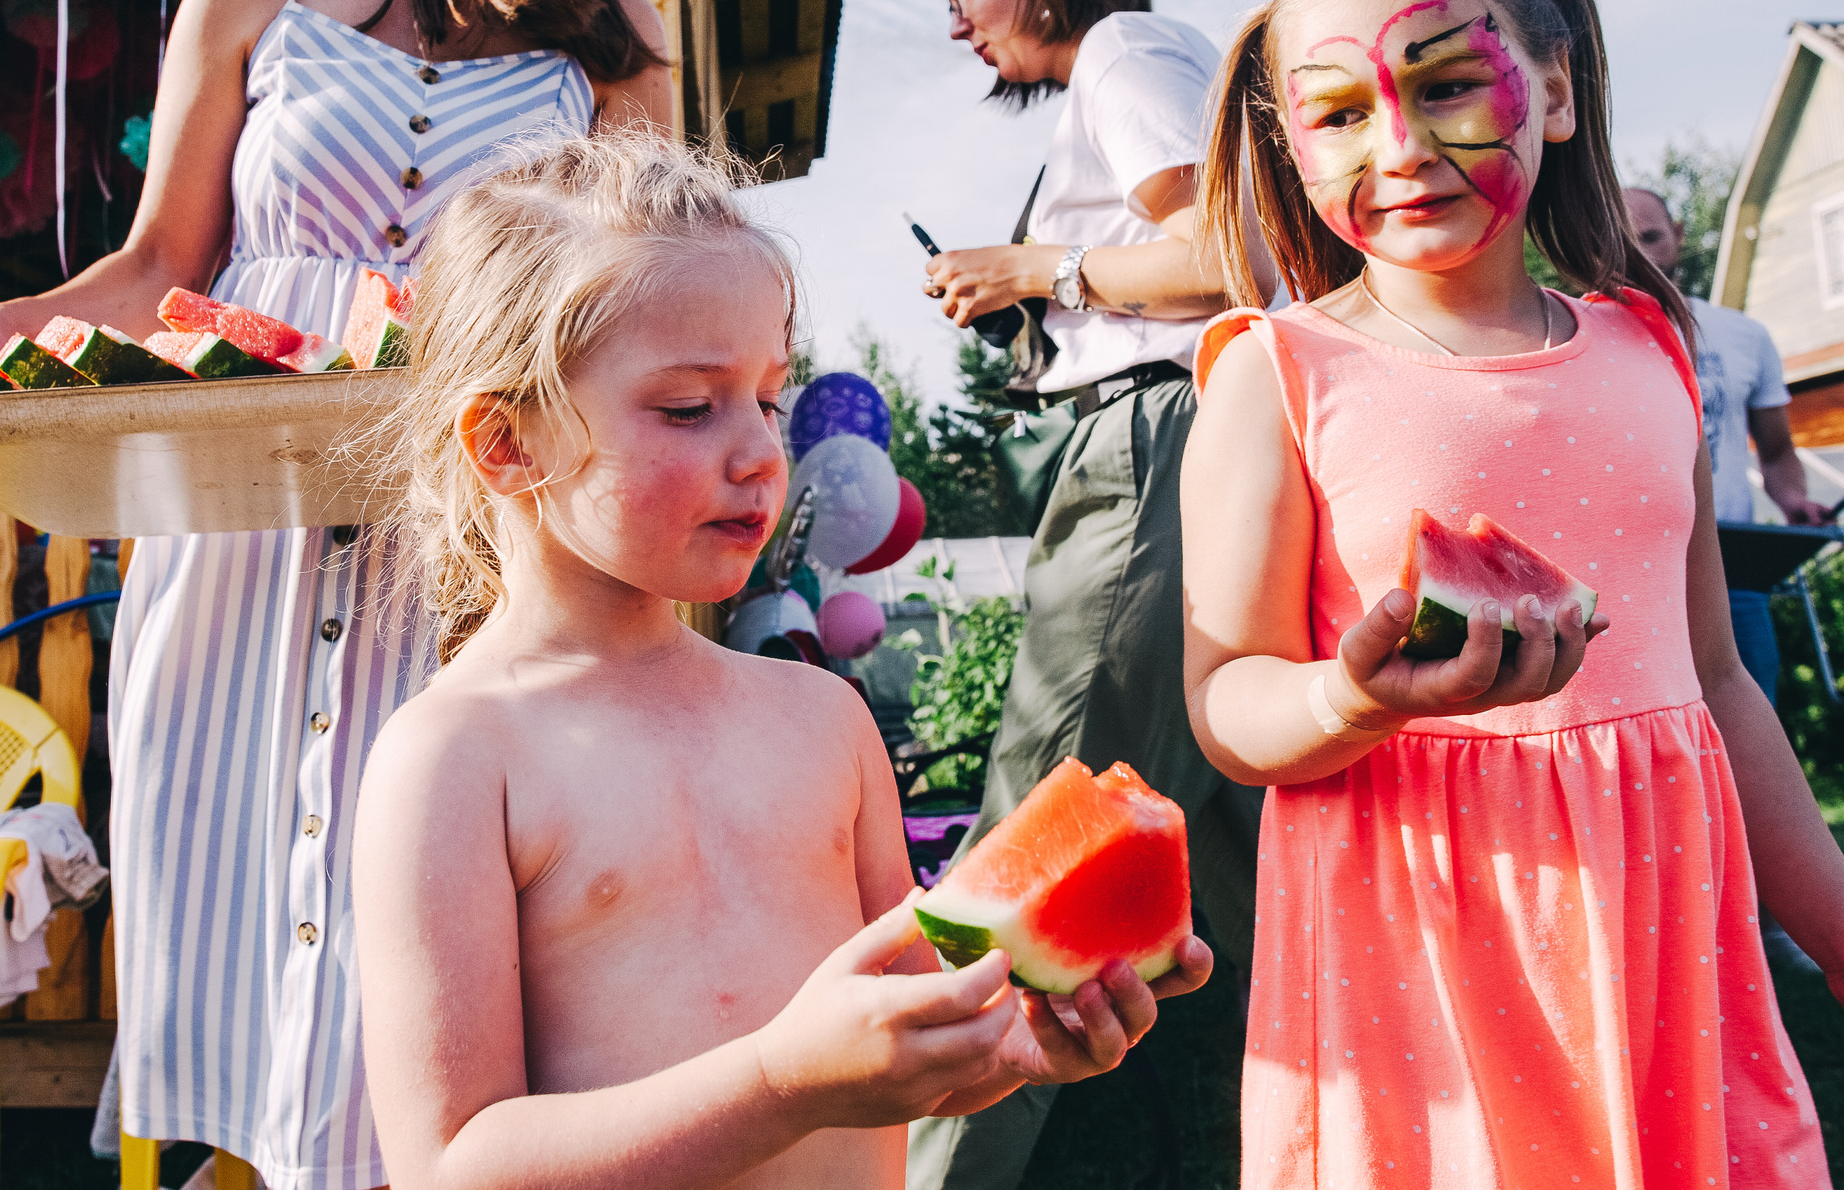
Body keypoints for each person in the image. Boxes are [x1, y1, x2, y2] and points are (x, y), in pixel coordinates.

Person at [0, 0, 676, 1190]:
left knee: (417, 950)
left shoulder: (614, 38)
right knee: (239, 922)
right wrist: (1, 363)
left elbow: (640, 303)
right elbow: (160, 265)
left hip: (456, 546)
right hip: (230, 533)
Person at [1183, 0, 1844, 1185]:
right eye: (1338, 114)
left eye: (1444, 86)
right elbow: (1227, 701)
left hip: (1663, 942)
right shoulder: (1276, 375)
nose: (1400, 146)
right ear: (1293, 142)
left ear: (1551, 90)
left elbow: (1717, 686)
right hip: (1421, 963)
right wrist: (1349, 696)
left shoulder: (1651, 347)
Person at [350, 129, 1211, 1190]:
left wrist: (1014, 1048)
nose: (763, 449)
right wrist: (777, 1082)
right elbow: (451, 1165)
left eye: (768, 396)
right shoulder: (453, 756)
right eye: (687, 406)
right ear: (507, 444)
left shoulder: (822, 719)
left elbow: (904, 1044)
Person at [912, 0, 1263, 1189]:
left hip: (1145, 445)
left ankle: (942, 1172)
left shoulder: (1123, 50)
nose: (957, 22)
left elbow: (1226, 250)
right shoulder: (1144, 63)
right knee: (1224, 854)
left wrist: (1037, 272)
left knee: (1038, 817)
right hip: (1187, 437)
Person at [1623, 185, 1832, 706]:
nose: (1640, 253)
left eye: (1651, 236)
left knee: (1751, 717)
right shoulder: (1574, 328)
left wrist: (1794, 503)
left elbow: (1778, 451)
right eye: (1624, 239)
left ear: (1677, 236)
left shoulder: (1744, 335)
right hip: (1629, 569)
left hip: (1732, 564)